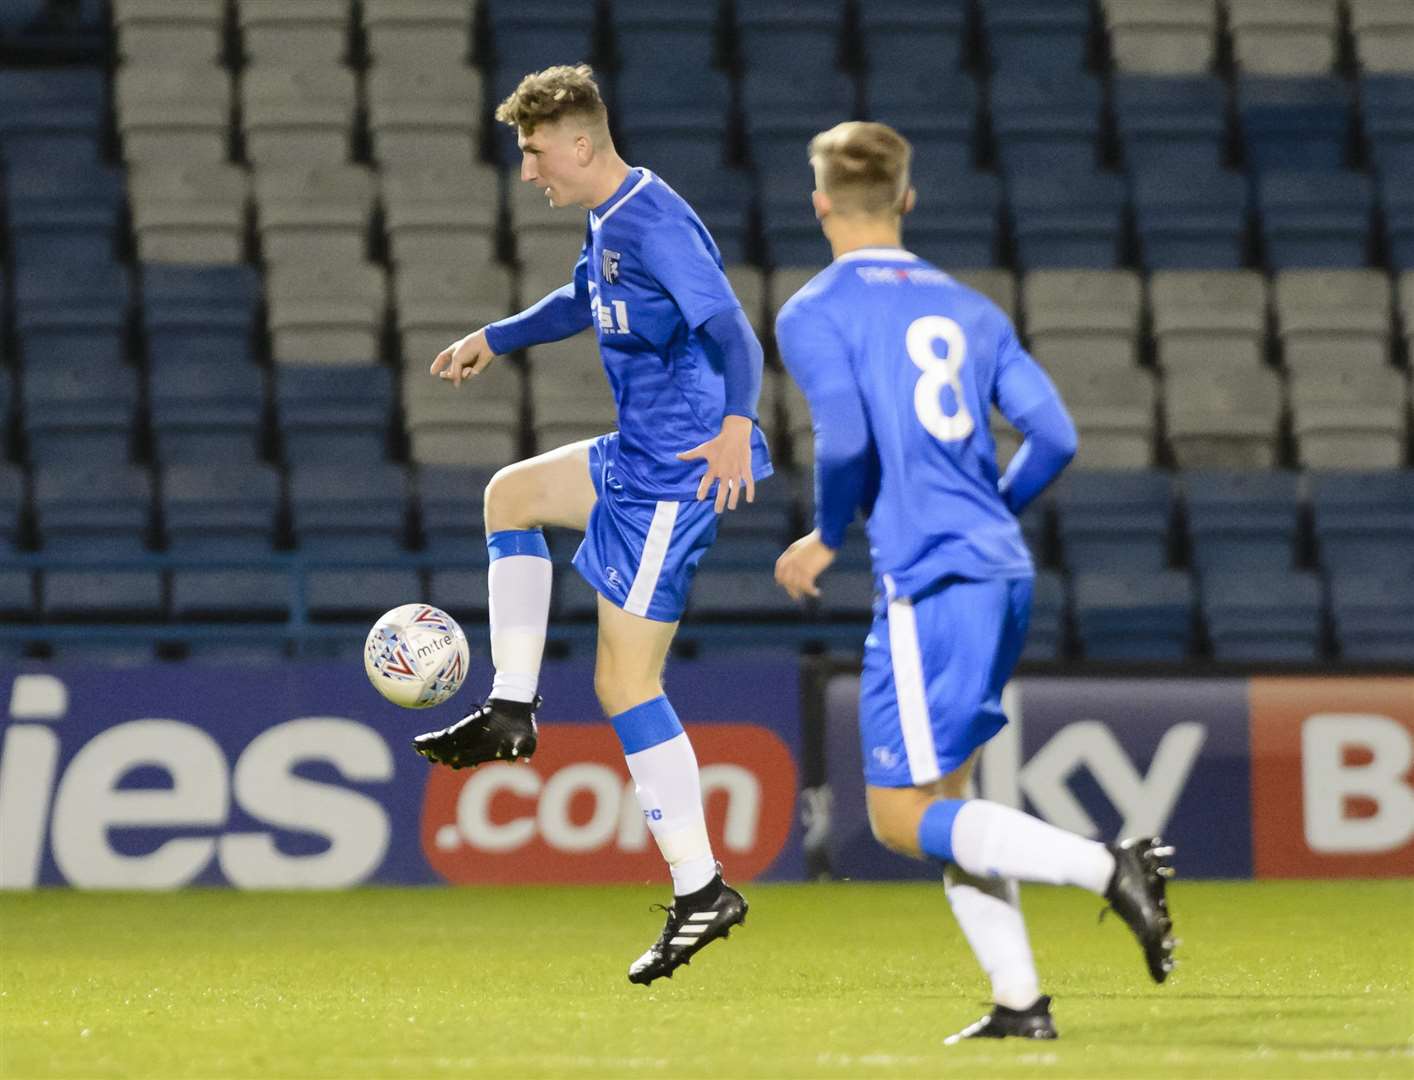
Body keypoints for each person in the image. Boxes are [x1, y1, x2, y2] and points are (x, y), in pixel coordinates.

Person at [773, 121, 1177, 1042]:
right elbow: (1058, 437)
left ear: (821, 204)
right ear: (908, 201)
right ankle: (1020, 1003)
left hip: (931, 576)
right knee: (948, 803)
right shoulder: (972, 308)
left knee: (895, 815)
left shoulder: (815, 310)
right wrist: (985, 505)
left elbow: (845, 438)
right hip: (998, 569)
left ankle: (1104, 865)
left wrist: (829, 533)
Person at [411, 65, 773, 985]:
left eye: (535, 154)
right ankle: (511, 708)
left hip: (674, 478)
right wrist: (494, 336)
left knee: (625, 686)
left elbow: (732, 329)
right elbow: (581, 300)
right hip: (631, 456)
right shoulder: (609, 217)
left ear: (580, 143)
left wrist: (736, 426)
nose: (529, 171)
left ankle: (701, 891)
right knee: (510, 496)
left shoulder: (654, 217)